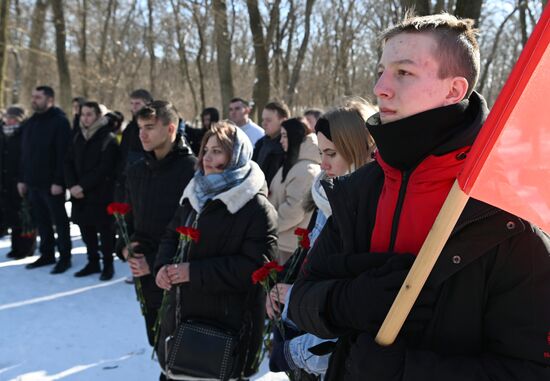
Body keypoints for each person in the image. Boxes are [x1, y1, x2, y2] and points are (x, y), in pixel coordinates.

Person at [288, 13, 550, 380]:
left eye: (403, 72)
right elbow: (300, 301)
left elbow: (531, 370)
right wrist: (349, 301)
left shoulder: (504, 216)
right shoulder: (358, 191)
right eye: (380, 70)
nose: (380, 87)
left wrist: (405, 372)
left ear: (454, 90)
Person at [154, 121, 277, 380]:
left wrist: (193, 272)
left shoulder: (256, 207)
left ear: (237, 156)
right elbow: (170, 237)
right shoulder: (195, 192)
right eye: (206, 150)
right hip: (180, 323)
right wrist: (162, 268)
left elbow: (255, 269)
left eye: (218, 151)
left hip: (225, 334)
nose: (207, 158)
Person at [267, 100, 376, 379]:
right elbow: (312, 263)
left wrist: (297, 349)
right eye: (320, 152)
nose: (323, 163)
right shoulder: (326, 195)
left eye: (332, 153)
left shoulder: (369, 209)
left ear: (357, 149)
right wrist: (285, 292)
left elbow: (353, 302)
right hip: (308, 337)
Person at [119, 101, 196, 379]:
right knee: (156, 339)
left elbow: (191, 229)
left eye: (150, 127)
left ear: (171, 128)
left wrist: (155, 263)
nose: (142, 134)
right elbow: (129, 217)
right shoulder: (137, 169)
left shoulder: (192, 170)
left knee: (179, 346)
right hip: (143, 273)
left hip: (176, 274)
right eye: (140, 127)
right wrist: (124, 248)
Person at [19, 86, 73, 274]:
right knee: (42, 221)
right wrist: (23, 179)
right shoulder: (30, 122)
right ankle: (47, 253)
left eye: (38, 97)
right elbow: (24, 154)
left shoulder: (59, 122)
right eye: (33, 96)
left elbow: (63, 155)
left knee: (60, 221)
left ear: (49, 100)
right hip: (33, 182)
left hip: (52, 185)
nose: (34, 100)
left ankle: (65, 257)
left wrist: (59, 181)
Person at [64, 101, 119, 280]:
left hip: (101, 194)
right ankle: (92, 262)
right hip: (79, 195)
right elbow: (68, 162)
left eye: (89, 114)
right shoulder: (76, 136)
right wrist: (72, 185)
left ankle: (108, 265)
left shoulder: (108, 138)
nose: (85, 118)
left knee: (105, 232)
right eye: (83, 114)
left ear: (98, 116)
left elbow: (105, 168)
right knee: (85, 230)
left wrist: (83, 186)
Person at [268, 118, 320, 263]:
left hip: (290, 246)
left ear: (295, 136)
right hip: (283, 241)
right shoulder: (295, 164)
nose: (281, 141)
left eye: (285, 136)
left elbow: (294, 210)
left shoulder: (306, 170)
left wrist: (267, 226)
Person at [0, 106, 36, 259]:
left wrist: (23, 178)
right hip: (5, 180)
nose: (10, 121)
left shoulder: (25, 133)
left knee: (25, 215)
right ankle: (16, 247)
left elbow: (27, 158)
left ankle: (27, 248)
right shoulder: (3, 134)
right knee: (12, 215)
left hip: (20, 180)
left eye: (14, 118)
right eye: (8, 118)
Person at [116, 89, 153, 201]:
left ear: (148, 104)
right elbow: (123, 153)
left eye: (137, 103)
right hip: (127, 178)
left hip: (145, 178)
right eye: (132, 103)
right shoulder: (129, 128)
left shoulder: (153, 126)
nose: (134, 107)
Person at [252, 101, 290, 187]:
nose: (263, 124)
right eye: (263, 120)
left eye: (268, 120)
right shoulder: (260, 143)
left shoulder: (288, 147)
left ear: (283, 121)